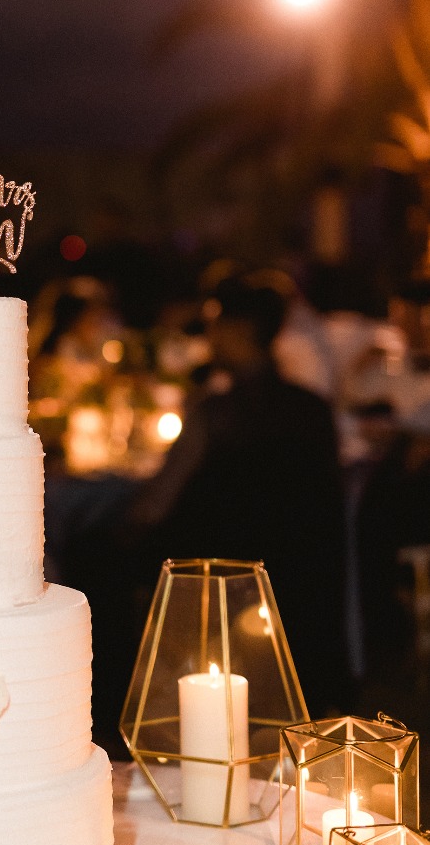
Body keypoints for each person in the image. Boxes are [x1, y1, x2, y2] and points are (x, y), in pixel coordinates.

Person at [133, 271, 349, 716]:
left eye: (216, 323)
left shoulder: (217, 413)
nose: (208, 335)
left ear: (241, 330)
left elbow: (157, 506)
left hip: (219, 580)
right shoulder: (311, 409)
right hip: (303, 587)